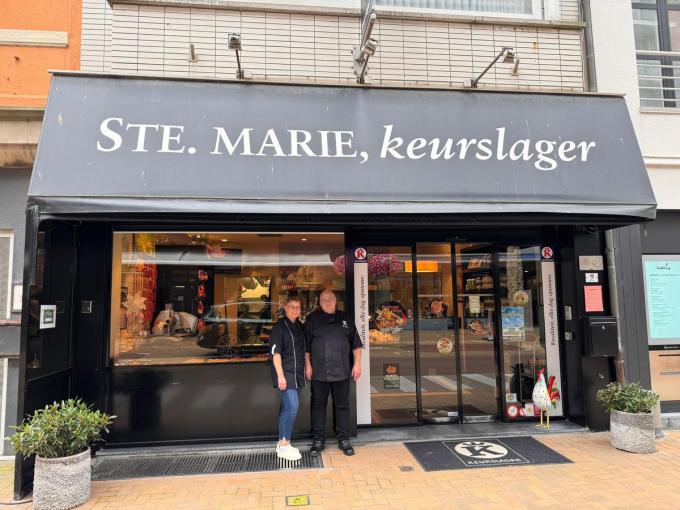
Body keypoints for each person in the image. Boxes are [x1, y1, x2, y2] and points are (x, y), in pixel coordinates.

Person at [305, 289, 363, 456]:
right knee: (318, 406)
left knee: (342, 405)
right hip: (319, 371)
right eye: (323, 299)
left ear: (336, 300)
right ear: (319, 302)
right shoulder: (312, 319)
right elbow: (306, 347)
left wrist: (357, 365)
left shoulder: (346, 318)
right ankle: (318, 440)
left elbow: (356, 345)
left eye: (330, 299)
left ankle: (343, 439)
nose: (327, 302)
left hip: (342, 370)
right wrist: (307, 366)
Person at [270, 296, 306, 461]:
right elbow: (276, 353)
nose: (294, 310)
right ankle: (285, 444)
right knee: (292, 407)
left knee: (287, 408)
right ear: (285, 307)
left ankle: (281, 443)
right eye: (292, 307)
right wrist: (280, 376)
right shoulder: (279, 327)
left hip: (297, 374)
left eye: (297, 307)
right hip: (285, 374)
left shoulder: (299, 326)